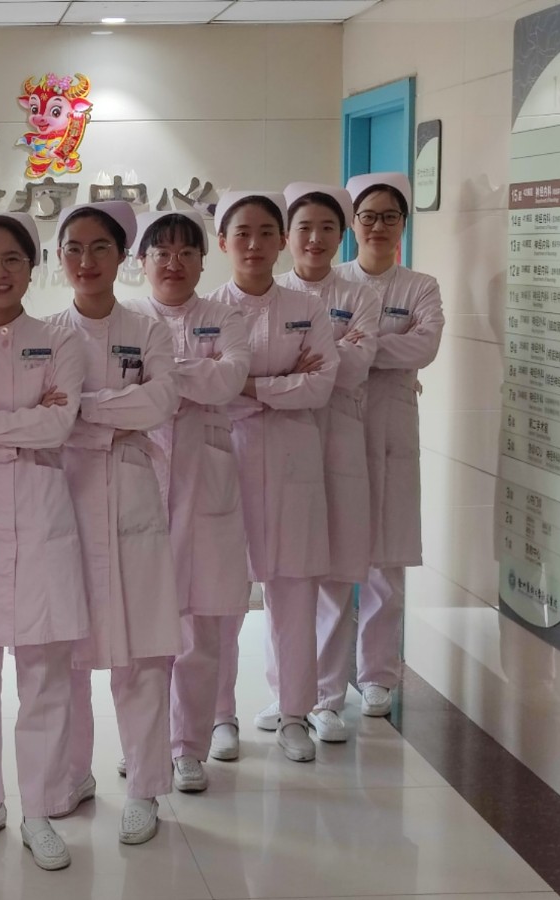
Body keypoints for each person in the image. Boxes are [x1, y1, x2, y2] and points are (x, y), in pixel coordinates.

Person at [0, 213, 86, 870]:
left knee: (44, 672)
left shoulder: (59, 340)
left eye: (12, 259)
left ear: (33, 267)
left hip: (40, 513)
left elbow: (58, 426)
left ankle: (41, 808)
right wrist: (14, 426)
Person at [42, 199, 182, 846]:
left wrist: (83, 410)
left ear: (122, 256)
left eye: (100, 247)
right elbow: (46, 415)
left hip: (130, 494)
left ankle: (145, 787)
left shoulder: (148, 331)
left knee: (143, 649)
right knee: (65, 650)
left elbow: (161, 402)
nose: (86, 259)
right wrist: (112, 409)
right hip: (64, 494)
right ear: (58, 257)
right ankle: (72, 774)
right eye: (73, 247)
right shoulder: (45, 333)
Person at [204, 189, 340, 764]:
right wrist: (281, 382)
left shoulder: (308, 309)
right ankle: (218, 715)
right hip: (223, 460)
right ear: (222, 243)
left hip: (292, 463)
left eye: (266, 233)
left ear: (282, 240)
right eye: (242, 233)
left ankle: (293, 714)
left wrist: (243, 385)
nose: (254, 244)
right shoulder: (206, 312)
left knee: (293, 592)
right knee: (221, 597)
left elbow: (321, 384)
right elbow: (200, 386)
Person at [125, 202, 252, 785]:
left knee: (201, 628)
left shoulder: (225, 317)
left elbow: (229, 379)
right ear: (142, 261)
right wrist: (190, 374)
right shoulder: (127, 319)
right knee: (144, 630)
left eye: (185, 252)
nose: (173, 262)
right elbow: (125, 389)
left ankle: (188, 748)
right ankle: (145, 744)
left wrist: (162, 374)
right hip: (143, 479)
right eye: (161, 252)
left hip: (207, 481)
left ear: (203, 261)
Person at [260, 182, 381, 743]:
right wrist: (312, 359)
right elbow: (259, 365)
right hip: (281, 438)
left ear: (342, 234)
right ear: (287, 236)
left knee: (335, 573)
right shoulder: (272, 291)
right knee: (284, 572)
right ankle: (285, 692)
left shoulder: (361, 295)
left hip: (340, 439)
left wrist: (310, 360)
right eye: (304, 227)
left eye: (327, 227)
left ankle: (328, 697)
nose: (315, 238)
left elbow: (351, 368)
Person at [332, 172, 444, 718]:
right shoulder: (332, 281)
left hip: (393, 425)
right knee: (332, 559)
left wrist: (356, 347)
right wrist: (377, 347)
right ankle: (323, 682)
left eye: (390, 217)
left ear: (404, 224)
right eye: (368, 216)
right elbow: (315, 345)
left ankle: (377, 675)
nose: (378, 226)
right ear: (352, 224)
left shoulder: (420, 286)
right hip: (336, 422)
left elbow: (424, 347)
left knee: (386, 559)